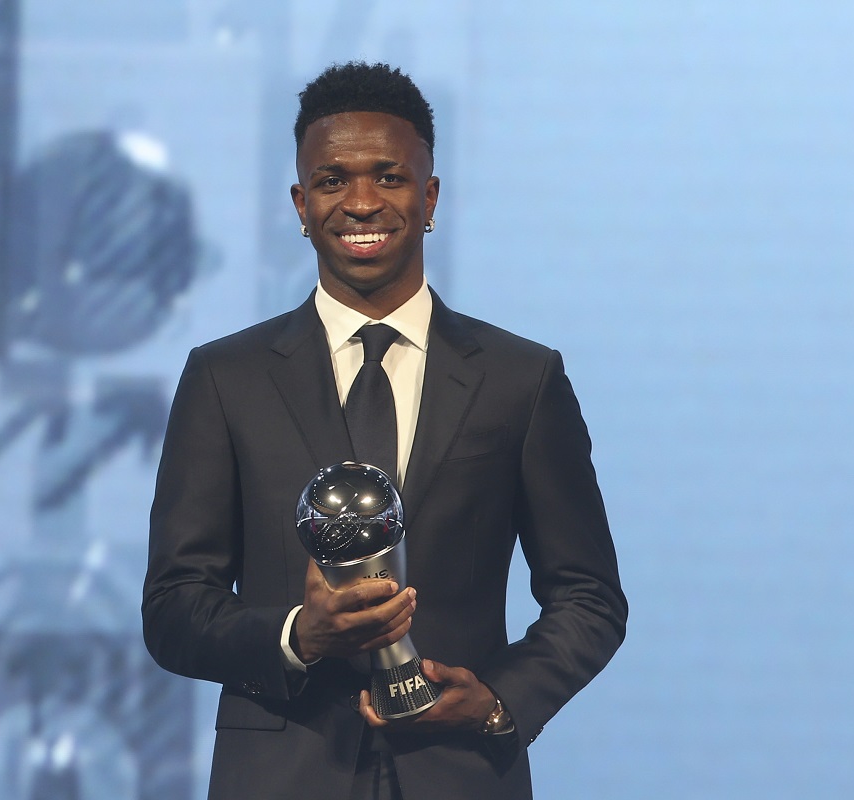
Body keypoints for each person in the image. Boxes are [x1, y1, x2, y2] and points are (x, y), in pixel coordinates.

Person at [143, 62, 626, 799]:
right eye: (333, 181)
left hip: (460, 771)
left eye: (388, 177)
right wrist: (300, 635)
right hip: (279, 776)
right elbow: (175, 605)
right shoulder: (224, 378)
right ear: (301, 206)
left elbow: (589, 597)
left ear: (429, 198)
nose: (360, 203)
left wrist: (499, 704)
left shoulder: (520, 379)